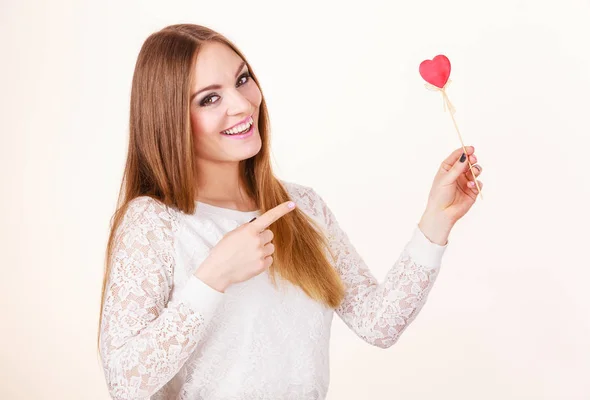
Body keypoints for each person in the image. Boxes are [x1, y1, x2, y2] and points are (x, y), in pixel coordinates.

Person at [97, 23, 484, 400]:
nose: (242, 103)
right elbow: (124, 382)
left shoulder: (302, 206)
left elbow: (377, 323)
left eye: (242, 79)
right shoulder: (154, 222)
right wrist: (213, 276)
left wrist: (437, 219)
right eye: (209, 98)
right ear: (170, 120)